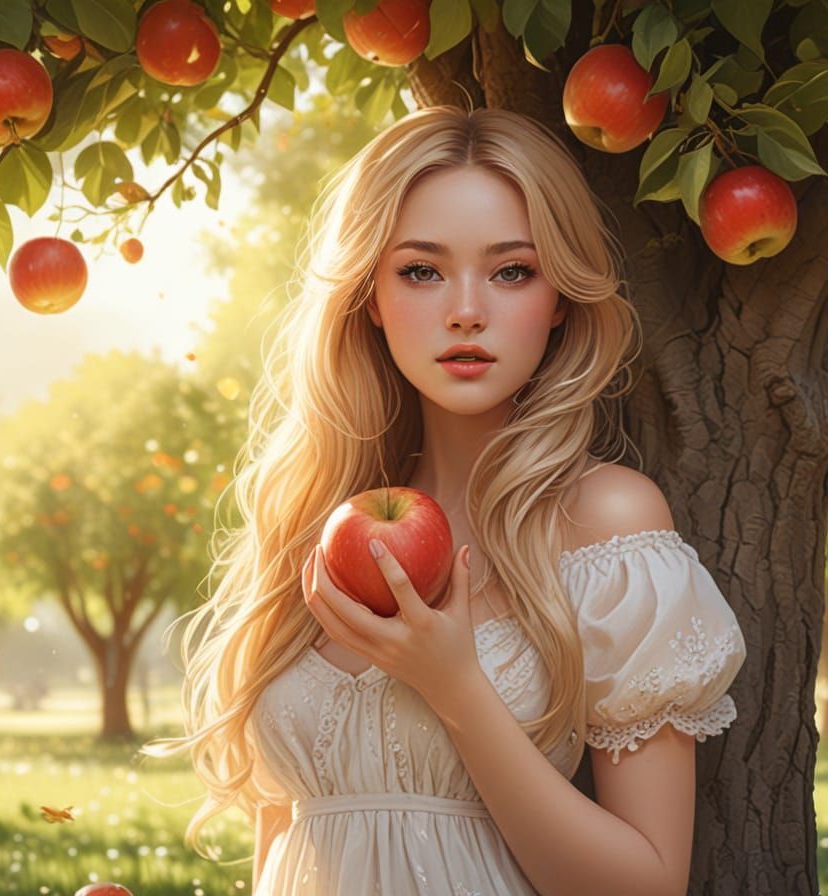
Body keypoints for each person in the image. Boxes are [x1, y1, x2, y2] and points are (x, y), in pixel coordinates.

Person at [142, 104, 747, 895]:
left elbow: (647, 886)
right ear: (369, 294)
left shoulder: (606, 523)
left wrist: (456, 687)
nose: (467, 310)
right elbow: (285, 843)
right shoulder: (318, 520)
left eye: (512, 271)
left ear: (561, 299)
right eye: (422, 271)